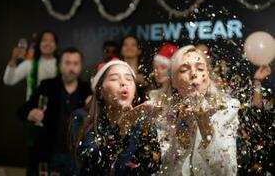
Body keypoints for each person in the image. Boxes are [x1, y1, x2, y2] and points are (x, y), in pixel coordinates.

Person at [157, 45, 239, 175]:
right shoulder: (163, 117)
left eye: (200, 68)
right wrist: (181, 142)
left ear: (208, 76)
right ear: (173, 81)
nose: (194, 74)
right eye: (184, 69)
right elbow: (166, 172)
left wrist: (207, 132)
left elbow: (228, 172)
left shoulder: (226, 110)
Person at [70, 58, 161, 175]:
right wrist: (122, 127)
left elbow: (153, 167)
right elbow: (91, 164)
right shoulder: (82, 118)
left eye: (129, 79)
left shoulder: (142, 122)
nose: (124, 83)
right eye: (114, 78)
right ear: (100, 91)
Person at [18, 47, 92, 176]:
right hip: (48, 153)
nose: (71, 68)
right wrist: (30, 113)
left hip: (76, 156)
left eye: (75, 64)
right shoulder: (47, 86)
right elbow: (22, 110)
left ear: (80, 66)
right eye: (67, 63)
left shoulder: (87, 90)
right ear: (60, 65)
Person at [3, 30, 59, 100]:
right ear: (39, 45)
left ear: (56, 46)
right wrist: (13, 59)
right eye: (44, 40)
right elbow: (9, 81)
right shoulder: (29, 64)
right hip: (32, 108)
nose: (47, 43)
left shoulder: (62, 65)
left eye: (51, 41)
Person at [120, 36, 148, 102]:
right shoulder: (115, 70)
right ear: (121, 50)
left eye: (133, 45)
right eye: (125, 45)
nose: (129, 48)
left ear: (139, 50)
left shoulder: (146, 71)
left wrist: (145, 83)